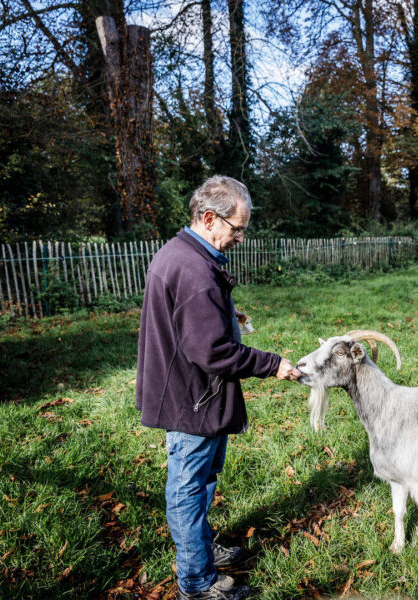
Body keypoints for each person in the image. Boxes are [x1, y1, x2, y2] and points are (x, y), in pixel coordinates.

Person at [136, 175, 300, 600]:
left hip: (191, 391)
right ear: (209, 218)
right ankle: (197, 583)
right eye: (237, 228)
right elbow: (212, 353)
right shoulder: (194, 270)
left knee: (203, 478)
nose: (241, 238)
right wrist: (272, 364)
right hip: (192, 397)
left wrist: (225, 312)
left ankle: (201, 550)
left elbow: (191, 320)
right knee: (188, 487)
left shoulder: (183, 254)